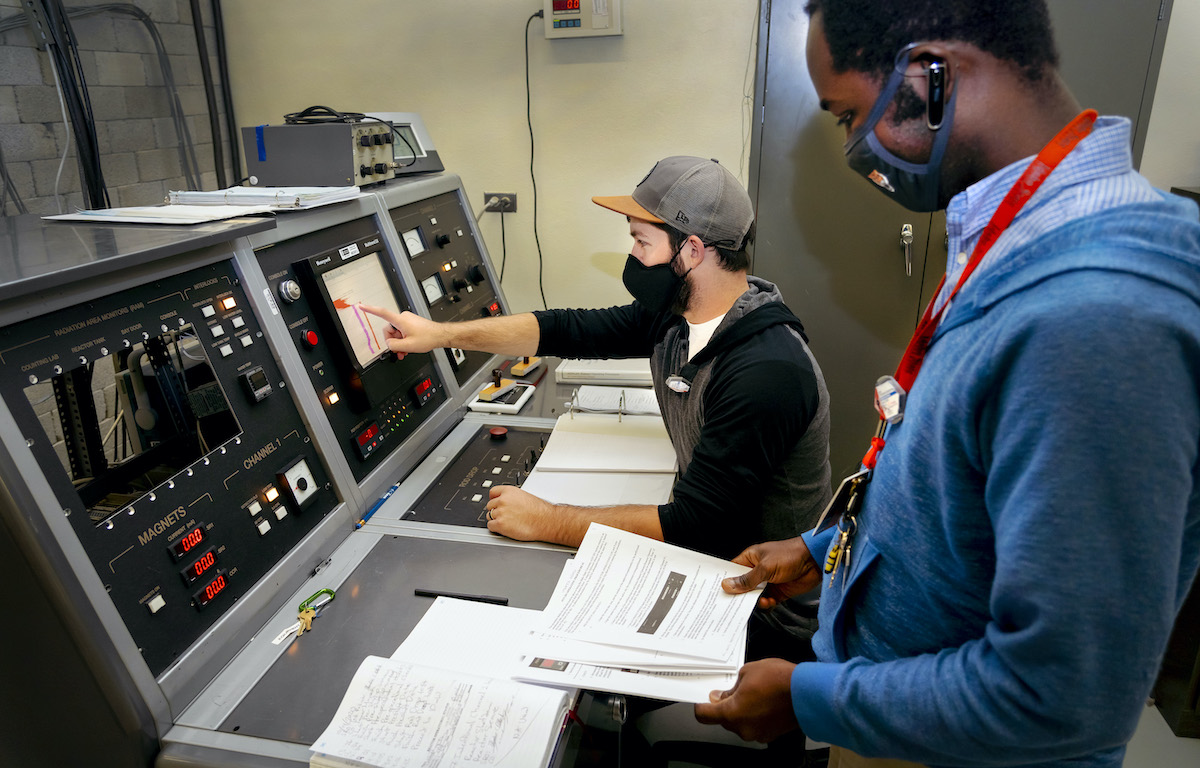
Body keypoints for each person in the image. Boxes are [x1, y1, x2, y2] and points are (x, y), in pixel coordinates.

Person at [694, 2, 1200, 767]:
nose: (853, 148)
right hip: (896, 709)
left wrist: (807, 697)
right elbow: (961, 491)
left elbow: (1058, 697)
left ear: (931, 76)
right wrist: (823, 548)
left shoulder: (1096, 315)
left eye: (849, 116)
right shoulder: (1010, 233)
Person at [364, 158, 831, 649]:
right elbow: (566, 328)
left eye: (642, 241)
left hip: (757, 610)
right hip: (711, 561)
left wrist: (547, 520)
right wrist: (440, 334)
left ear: (692, 251)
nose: (632, 254)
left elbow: (697, 528)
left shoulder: (766, 370)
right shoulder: (678, 316)